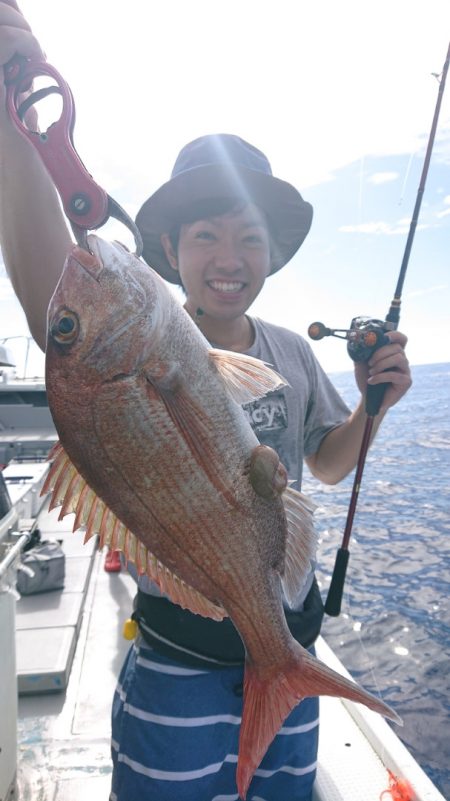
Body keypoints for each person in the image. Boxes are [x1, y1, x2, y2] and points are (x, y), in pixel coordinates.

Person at [0, 7, 412, 801]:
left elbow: (326, 464)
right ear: (169, 253)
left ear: (274, 254)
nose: (230, 258)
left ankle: (280, 671)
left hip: (286, 640)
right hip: (177, 660)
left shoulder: (289, 350)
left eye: (250, 238)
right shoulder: (143, 347)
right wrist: (12, 121)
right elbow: (47, 275)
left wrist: (372, 407)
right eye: (206, 238)